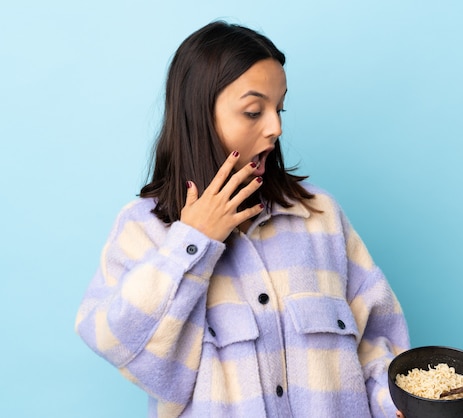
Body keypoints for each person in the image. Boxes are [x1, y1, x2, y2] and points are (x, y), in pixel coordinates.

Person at [75, 20, 410, 418]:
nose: (276, 128)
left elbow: (376, 346)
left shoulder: (321, 217)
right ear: (199, 116)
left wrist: (405, 406)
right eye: (253, 111)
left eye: (279, 108)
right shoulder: (144, 230)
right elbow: (126, 348)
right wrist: (193, 242)